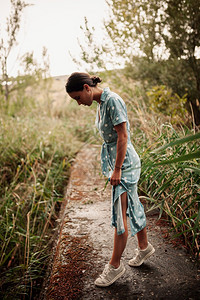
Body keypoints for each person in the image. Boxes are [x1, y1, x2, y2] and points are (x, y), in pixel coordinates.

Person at [65, 72, 155, 287]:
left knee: (119, 214)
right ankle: (144, 248)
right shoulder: (100, 103)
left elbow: (123, 136)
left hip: (124, 166)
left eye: (77, 97)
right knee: (131, 205)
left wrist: (117, 170)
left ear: (87, 88)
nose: (78, 103)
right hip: (120, 164)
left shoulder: (112, 100)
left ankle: (115, 266)